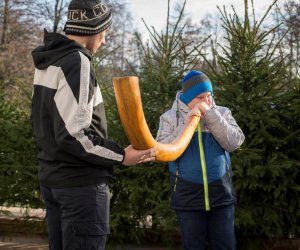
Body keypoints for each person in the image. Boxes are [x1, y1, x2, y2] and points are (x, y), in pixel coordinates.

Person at [31, 0, 156, 249]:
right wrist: (122, 155)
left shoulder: (50, 60)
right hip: (80, 187)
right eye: (105, 32)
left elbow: (43, 125)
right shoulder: (78, 62)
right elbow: (74, 135)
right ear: (94, 29)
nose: (105, 40)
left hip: (53, 182)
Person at [156, 70, 245, 250]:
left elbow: (234, 141)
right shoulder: (170, 118)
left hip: (221, 195)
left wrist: (211, 116)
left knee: (226, 246)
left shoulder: (222, 113)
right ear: (187, 98)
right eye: (200, 97)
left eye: (209, 96)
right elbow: (161, 150)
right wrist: (186, 123)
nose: (206, 101)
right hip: (187, 197)